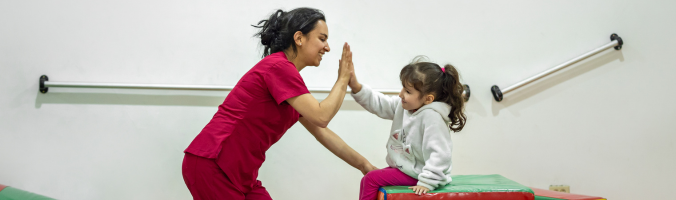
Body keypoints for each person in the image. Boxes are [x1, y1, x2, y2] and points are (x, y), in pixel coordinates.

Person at [182, 8, 377, 200]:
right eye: (322, 39)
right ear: (299, 38)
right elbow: (322, 116)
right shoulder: (279, 67)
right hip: (213, 163)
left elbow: (322, 131)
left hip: (241, 174)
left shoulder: (288, 79)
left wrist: (364, 165)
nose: (327, 47)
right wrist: (343, 79)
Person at [348, 56, 467, 200]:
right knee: (368, 179)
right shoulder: (404, 107)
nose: (401, 94)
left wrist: (428, 181)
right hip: (407, 169)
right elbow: (380, 103)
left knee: (371, 179)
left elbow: (440, 153)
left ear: (428, 99)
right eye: (403, 88)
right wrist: (356, 87)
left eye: (408, 92)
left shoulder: (432, 117)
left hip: (420, 174)